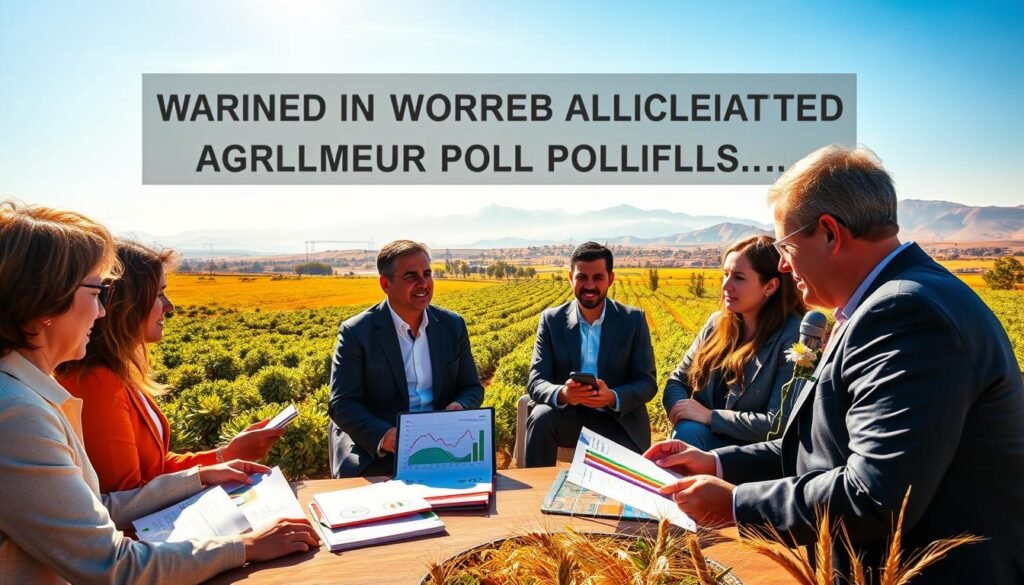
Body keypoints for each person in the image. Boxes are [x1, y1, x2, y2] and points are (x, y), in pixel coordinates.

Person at [645, 146, 1024, 584]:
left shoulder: (905, 314)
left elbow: (874, 494)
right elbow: (823, 451)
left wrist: (734, 504)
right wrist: (716, 465)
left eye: (786, 246)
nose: (784, 265)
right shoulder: (889, 302)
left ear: (829, 233)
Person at [0, 201, 318, 585]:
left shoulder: (27, 396)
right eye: (96, 291)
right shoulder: (17, 414)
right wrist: (242, 547)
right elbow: (112, 565)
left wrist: (201, 475)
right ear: (46, 302)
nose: (101, 311)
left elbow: (97, 507)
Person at [56, 240, 285, 492]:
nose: (169, 306)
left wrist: (228, 453)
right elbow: (125, 496)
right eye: (158, 294)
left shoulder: (119, 373)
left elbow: (156, 468)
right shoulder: (97, 382)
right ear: (126, 304)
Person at [328, 240, 484, 477]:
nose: (423, 284)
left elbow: (471, 387)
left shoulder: (452, 326)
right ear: (385, 284)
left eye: (427, 274)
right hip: (379, 450)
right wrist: (387, 436)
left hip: (440, 445)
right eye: (411, 276)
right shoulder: (357, 333)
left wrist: (459, 406)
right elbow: (342, 403)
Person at [663, 235, 806, 449]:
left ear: (770, 286)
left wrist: (711, 417)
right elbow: (676, 381)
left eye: (739, 277)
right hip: (697, 438)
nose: (726, 286)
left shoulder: (795, 338)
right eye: (725, 275)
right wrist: (682, 411)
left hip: (750, 453)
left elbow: (778, 423)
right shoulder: (716, 324)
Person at [524, 241, 657, 467]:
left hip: (616, 419)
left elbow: (647, 383)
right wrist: (564, 393)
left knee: (624, 489)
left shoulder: (633, 320)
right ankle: (536, 493)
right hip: (568, 416)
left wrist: (612, 396)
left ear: (610, 279)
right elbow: (536, 381)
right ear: (570, 278)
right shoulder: (552, 320)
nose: (589, 285)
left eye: (597, 278)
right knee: (541, 419)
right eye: (582, 277)